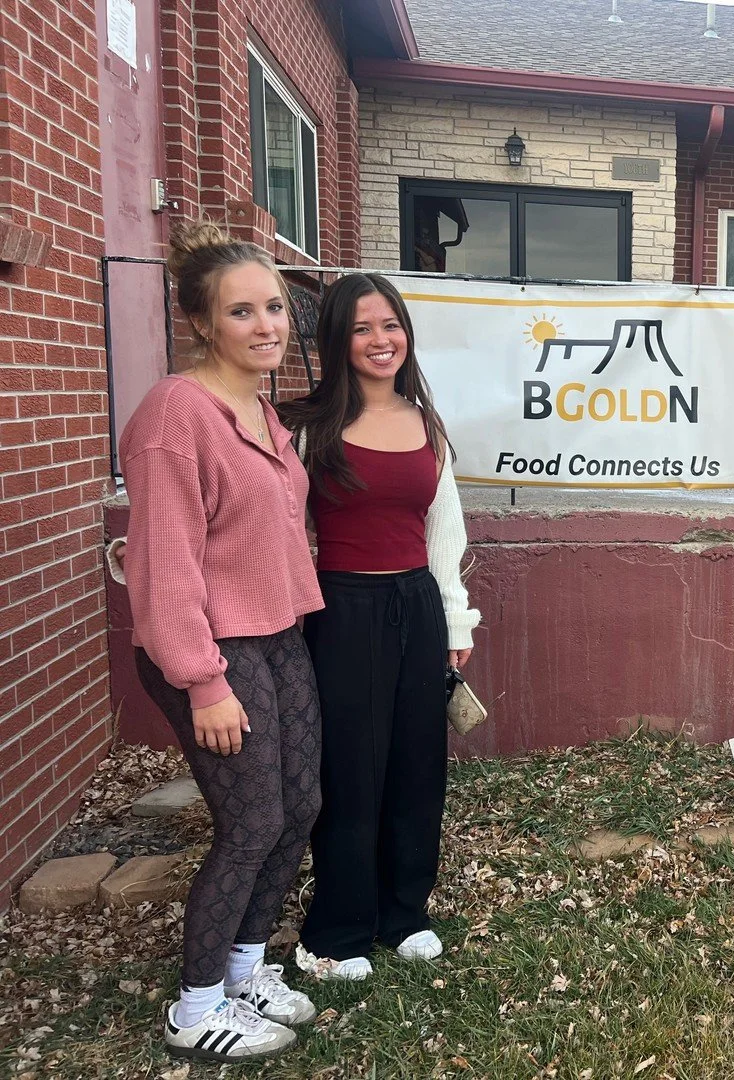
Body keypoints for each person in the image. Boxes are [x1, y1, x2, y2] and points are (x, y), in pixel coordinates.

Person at [120, 222, 322, 1062]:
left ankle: (243, 969)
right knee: (249, 824)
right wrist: (204, 681)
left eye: (275, 306)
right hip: (215, 648)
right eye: (243, 312)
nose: (268, 325)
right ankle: (196, 1007)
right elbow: (162, 565)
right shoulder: (177, 413)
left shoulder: (260, 408)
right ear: (201, 323)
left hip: (279, 636)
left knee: (299, 809)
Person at [277, 274, 480, 980]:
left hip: (416, 609)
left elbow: (443, 528)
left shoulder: (428, 422)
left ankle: (405, 913)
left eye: (390, 324)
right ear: (337, 339)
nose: (379, 340)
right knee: (350, 773)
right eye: (362, 328)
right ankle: (335, 933)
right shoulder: (305, 427)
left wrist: (455, 617)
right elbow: (274, 530)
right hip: (340, 612)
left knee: (418, 766)